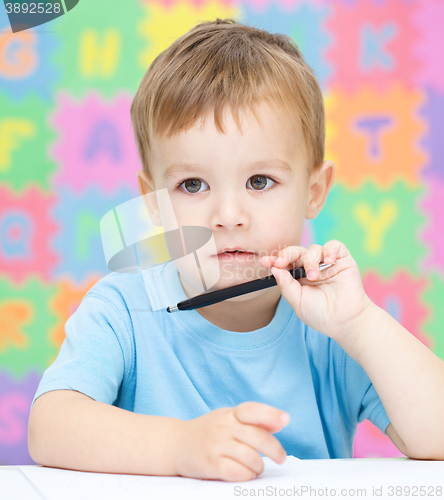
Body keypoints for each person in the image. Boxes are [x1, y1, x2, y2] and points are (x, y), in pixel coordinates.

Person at [28, 18, 444, 482]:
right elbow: (50, 427)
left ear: (313, 191)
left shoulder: (333, 324)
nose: (228, 215)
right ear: (155, 205)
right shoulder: (123, 310)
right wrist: (178, 447)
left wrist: (359, 323)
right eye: (192, 184)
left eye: (259, 181)